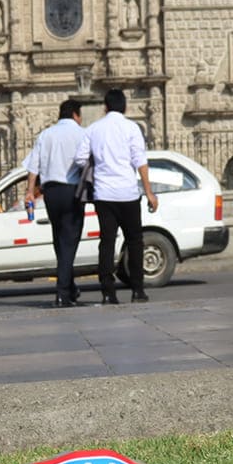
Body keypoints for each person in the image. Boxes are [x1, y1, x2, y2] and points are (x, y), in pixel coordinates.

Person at [75, 88, 158, 304]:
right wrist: (149, 191)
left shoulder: (93, 129)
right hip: (128, 193)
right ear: (125, 107)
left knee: (107, 242)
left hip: (103, 194)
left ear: (105, 106)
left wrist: (96, 167)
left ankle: (108, 291)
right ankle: (138, 289)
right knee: (135, 241)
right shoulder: (132, 128)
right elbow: (140, 160)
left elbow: (79, 159)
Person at [23, 98, 91, 307]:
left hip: (50, 192)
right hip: (72, 190)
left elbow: (33, 165)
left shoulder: (46, 134)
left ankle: (70, 288)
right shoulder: (82, 134)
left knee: (59, 239)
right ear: (76, 115)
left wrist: (29, 192)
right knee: (70, 240)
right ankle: (62, 293)